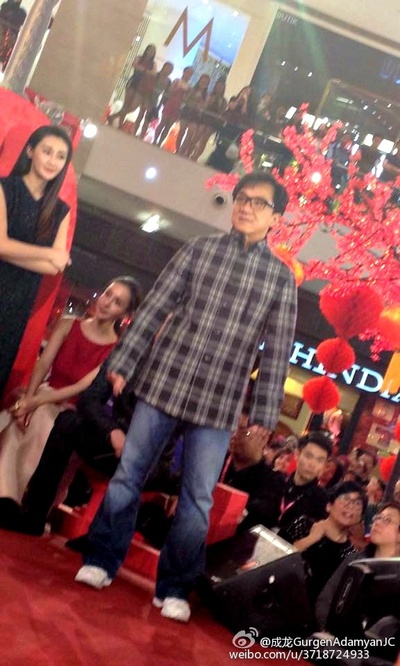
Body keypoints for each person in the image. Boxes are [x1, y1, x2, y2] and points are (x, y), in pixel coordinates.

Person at [74, 171, 298, 624]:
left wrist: (264, 413)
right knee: (129, 475)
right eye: (241, 198)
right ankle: (101, 560)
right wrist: (125, 361)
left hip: (219, 399)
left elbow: (277, 348)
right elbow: (156, 306)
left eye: (258, 202)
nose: (246, 207)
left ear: (275, 217)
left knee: (197, 499)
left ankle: (174, 587)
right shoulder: (199, 249)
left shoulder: (280, 278)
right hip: (166, 380)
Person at [0, 276, 139, 506]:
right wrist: (29, 399)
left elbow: (82, 386)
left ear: (124, 314)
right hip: (44, 394)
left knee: (42, 423)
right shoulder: (68, 324)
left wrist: (36, 402)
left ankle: (20, 503)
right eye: (107, 294)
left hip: (73, 411)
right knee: (16, 420)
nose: (107, 303)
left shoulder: (116, 351)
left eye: (117, 302)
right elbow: (43, 364)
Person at [0, 126, 73, 400]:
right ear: (30, 151)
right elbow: (0, 244)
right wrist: (48, 254)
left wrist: (50, 258)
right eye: (47, 151)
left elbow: (56, 267)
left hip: (17, 306)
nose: (52, 161)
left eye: (60, 156)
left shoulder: (60, 210)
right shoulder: (5, 188)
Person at [316, 501, 400, 630]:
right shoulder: (355, 559)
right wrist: (325, 629)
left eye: (387, 520)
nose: (377, 522)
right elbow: (326, 598)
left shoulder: (396, 576)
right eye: (378, 517)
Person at [288, 481, 366, 601]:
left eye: (357, 503)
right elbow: (276, 559)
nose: (351, 506)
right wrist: (311, 539)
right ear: (329, 506)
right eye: (345, 498)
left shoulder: (350, 555)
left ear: (360, 518)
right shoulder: (303, 525)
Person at [221, 417, 283, 532]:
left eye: (244, 433)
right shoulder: (219, 459)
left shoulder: (272, 480)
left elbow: (262, 515)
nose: (235, 436)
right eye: (235, 430)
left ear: (263, 439)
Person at [278, 431, 332, 540]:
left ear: (324, 465)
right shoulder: (277, 481)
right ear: (297, 454)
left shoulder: (322, 501)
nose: (312, 464)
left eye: (319, 460)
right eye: (308, 456)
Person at [107, 44, 156, 129]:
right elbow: (134, 65)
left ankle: (113, 116)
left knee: (133, 107)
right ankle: (120, 124)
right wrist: (145, 70)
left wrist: (143, 69)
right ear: (147, 50)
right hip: (134, 82)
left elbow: (153, 73)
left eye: (153, 51)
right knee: (126, 104)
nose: (150, 52)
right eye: (150, 50)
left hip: (143, 86)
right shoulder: (139, 58)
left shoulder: (153, 64)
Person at [153, 66, 194, 147]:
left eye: (190, 73)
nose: (188, 74)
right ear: (184, 72)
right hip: (170, 103)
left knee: (168, 126)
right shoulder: (177, 81)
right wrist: (177, 89)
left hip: (178, 107)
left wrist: (184, 95)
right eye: (187, 72)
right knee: (163, 122)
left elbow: (186, 99)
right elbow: (169, 91)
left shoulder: (189, 87)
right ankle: (155, 140)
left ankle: (160, 142)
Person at [189, 77, 227, 162]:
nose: (219, 88)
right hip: (204, 118)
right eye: (218, 86)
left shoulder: (223, 101)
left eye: (221, 87)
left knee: (204, 140)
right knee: (196, 136)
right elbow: (204, 106)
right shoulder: (209, 95)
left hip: (213, 122)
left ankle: (195, 156)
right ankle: (189, 152)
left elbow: (222, 112)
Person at [176, 74, 210, 157]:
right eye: (202, 80)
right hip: (187, 110)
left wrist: (200, 102)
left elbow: (204, 106)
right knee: (181, 131)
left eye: (205, 82)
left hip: (196, 114)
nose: (203, 82)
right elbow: (185, 98)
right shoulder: (191, 89)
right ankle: (177, 149)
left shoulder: (206, 95)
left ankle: (182, 151)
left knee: (190, 133)